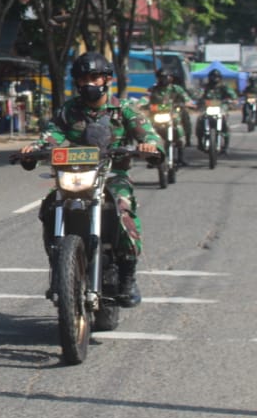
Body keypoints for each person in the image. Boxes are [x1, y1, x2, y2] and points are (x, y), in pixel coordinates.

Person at [20, 52, 160, 305]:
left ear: (107, 79)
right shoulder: (68, 110)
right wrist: (34, 149)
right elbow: (51, 136)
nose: (89, 83)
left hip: (112, 176)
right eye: (83, 78)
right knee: (50, 206)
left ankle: (128, 277)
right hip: (74, 175)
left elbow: (147, 134)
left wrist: (149, 145)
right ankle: (59, 261)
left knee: (123, 208)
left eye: (94, 77)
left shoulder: (124, 109)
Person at [146, 68, 193, 166]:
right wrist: (140, 104)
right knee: (148, 133)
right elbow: (145, 98)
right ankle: (152, 158)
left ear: (170, 78)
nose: (163, 80)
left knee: (181, 129)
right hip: (156, 116)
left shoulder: (176, 88)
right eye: (161, 77)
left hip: (172, 115)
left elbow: (185, 97)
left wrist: (188, 102)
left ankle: (181, 157)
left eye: (165, 77)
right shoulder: (153, 89)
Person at [197, 68, 237, 153]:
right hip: (208, 108)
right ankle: (200, 141)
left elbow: (232, 94)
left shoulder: (224, 86)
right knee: (200, 120)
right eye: (213, 77)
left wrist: (233, 99)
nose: (215, 79)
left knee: (225, 122)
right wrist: (198, 100)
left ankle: (225, 145)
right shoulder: (205, 87)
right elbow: (199, 95)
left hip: (221, 107)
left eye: (217, 77)